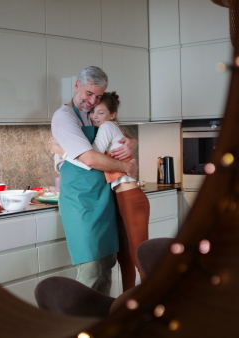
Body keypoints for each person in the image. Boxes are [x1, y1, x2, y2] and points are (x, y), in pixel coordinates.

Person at [50, 66, 138, 296]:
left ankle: (102, 323)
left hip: (103, 198)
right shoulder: (64, 117)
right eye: (89, 93)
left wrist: (132, 142)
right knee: (90, 270)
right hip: (80, 202)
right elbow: (89, 158)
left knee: (106, 267)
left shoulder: (93, 114)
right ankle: (82, 328)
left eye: (98, 96)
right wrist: (125, 166)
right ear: (77, 86)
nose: (93, 101)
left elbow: (116, 134)